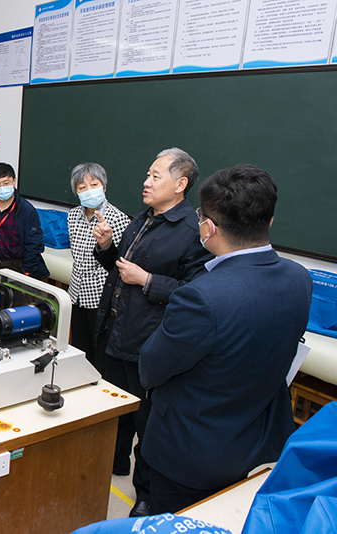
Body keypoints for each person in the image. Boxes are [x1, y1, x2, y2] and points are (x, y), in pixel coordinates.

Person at [139, 164, 312, 514]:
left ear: (209, 228)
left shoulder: (201, 296)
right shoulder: (299, 278)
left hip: (192, 455)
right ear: (270, 220)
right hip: (260, 444)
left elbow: (151, 369)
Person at [93, 147, 213, 516]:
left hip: (147, 343)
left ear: (180, 184)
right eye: (147, 174)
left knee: (147, 424)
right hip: (116, 332)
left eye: (155, 176)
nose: (146, 182)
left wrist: (147, 280)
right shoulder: (142, 219)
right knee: (113, 412)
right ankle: (110, 466)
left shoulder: (192, 232)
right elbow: (121, 269)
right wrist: (106, 247)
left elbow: (196, 294)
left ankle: (144, 498)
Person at [66, 163, 130, 374]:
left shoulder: (118, 218)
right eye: (82, 187)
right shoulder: (72, 216)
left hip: (101, 297)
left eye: (94, 184)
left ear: (104, 187)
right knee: (79, 350)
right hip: (76, 294)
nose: (89, 190)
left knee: (100, 354)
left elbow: (119, 263)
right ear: (76, 192)